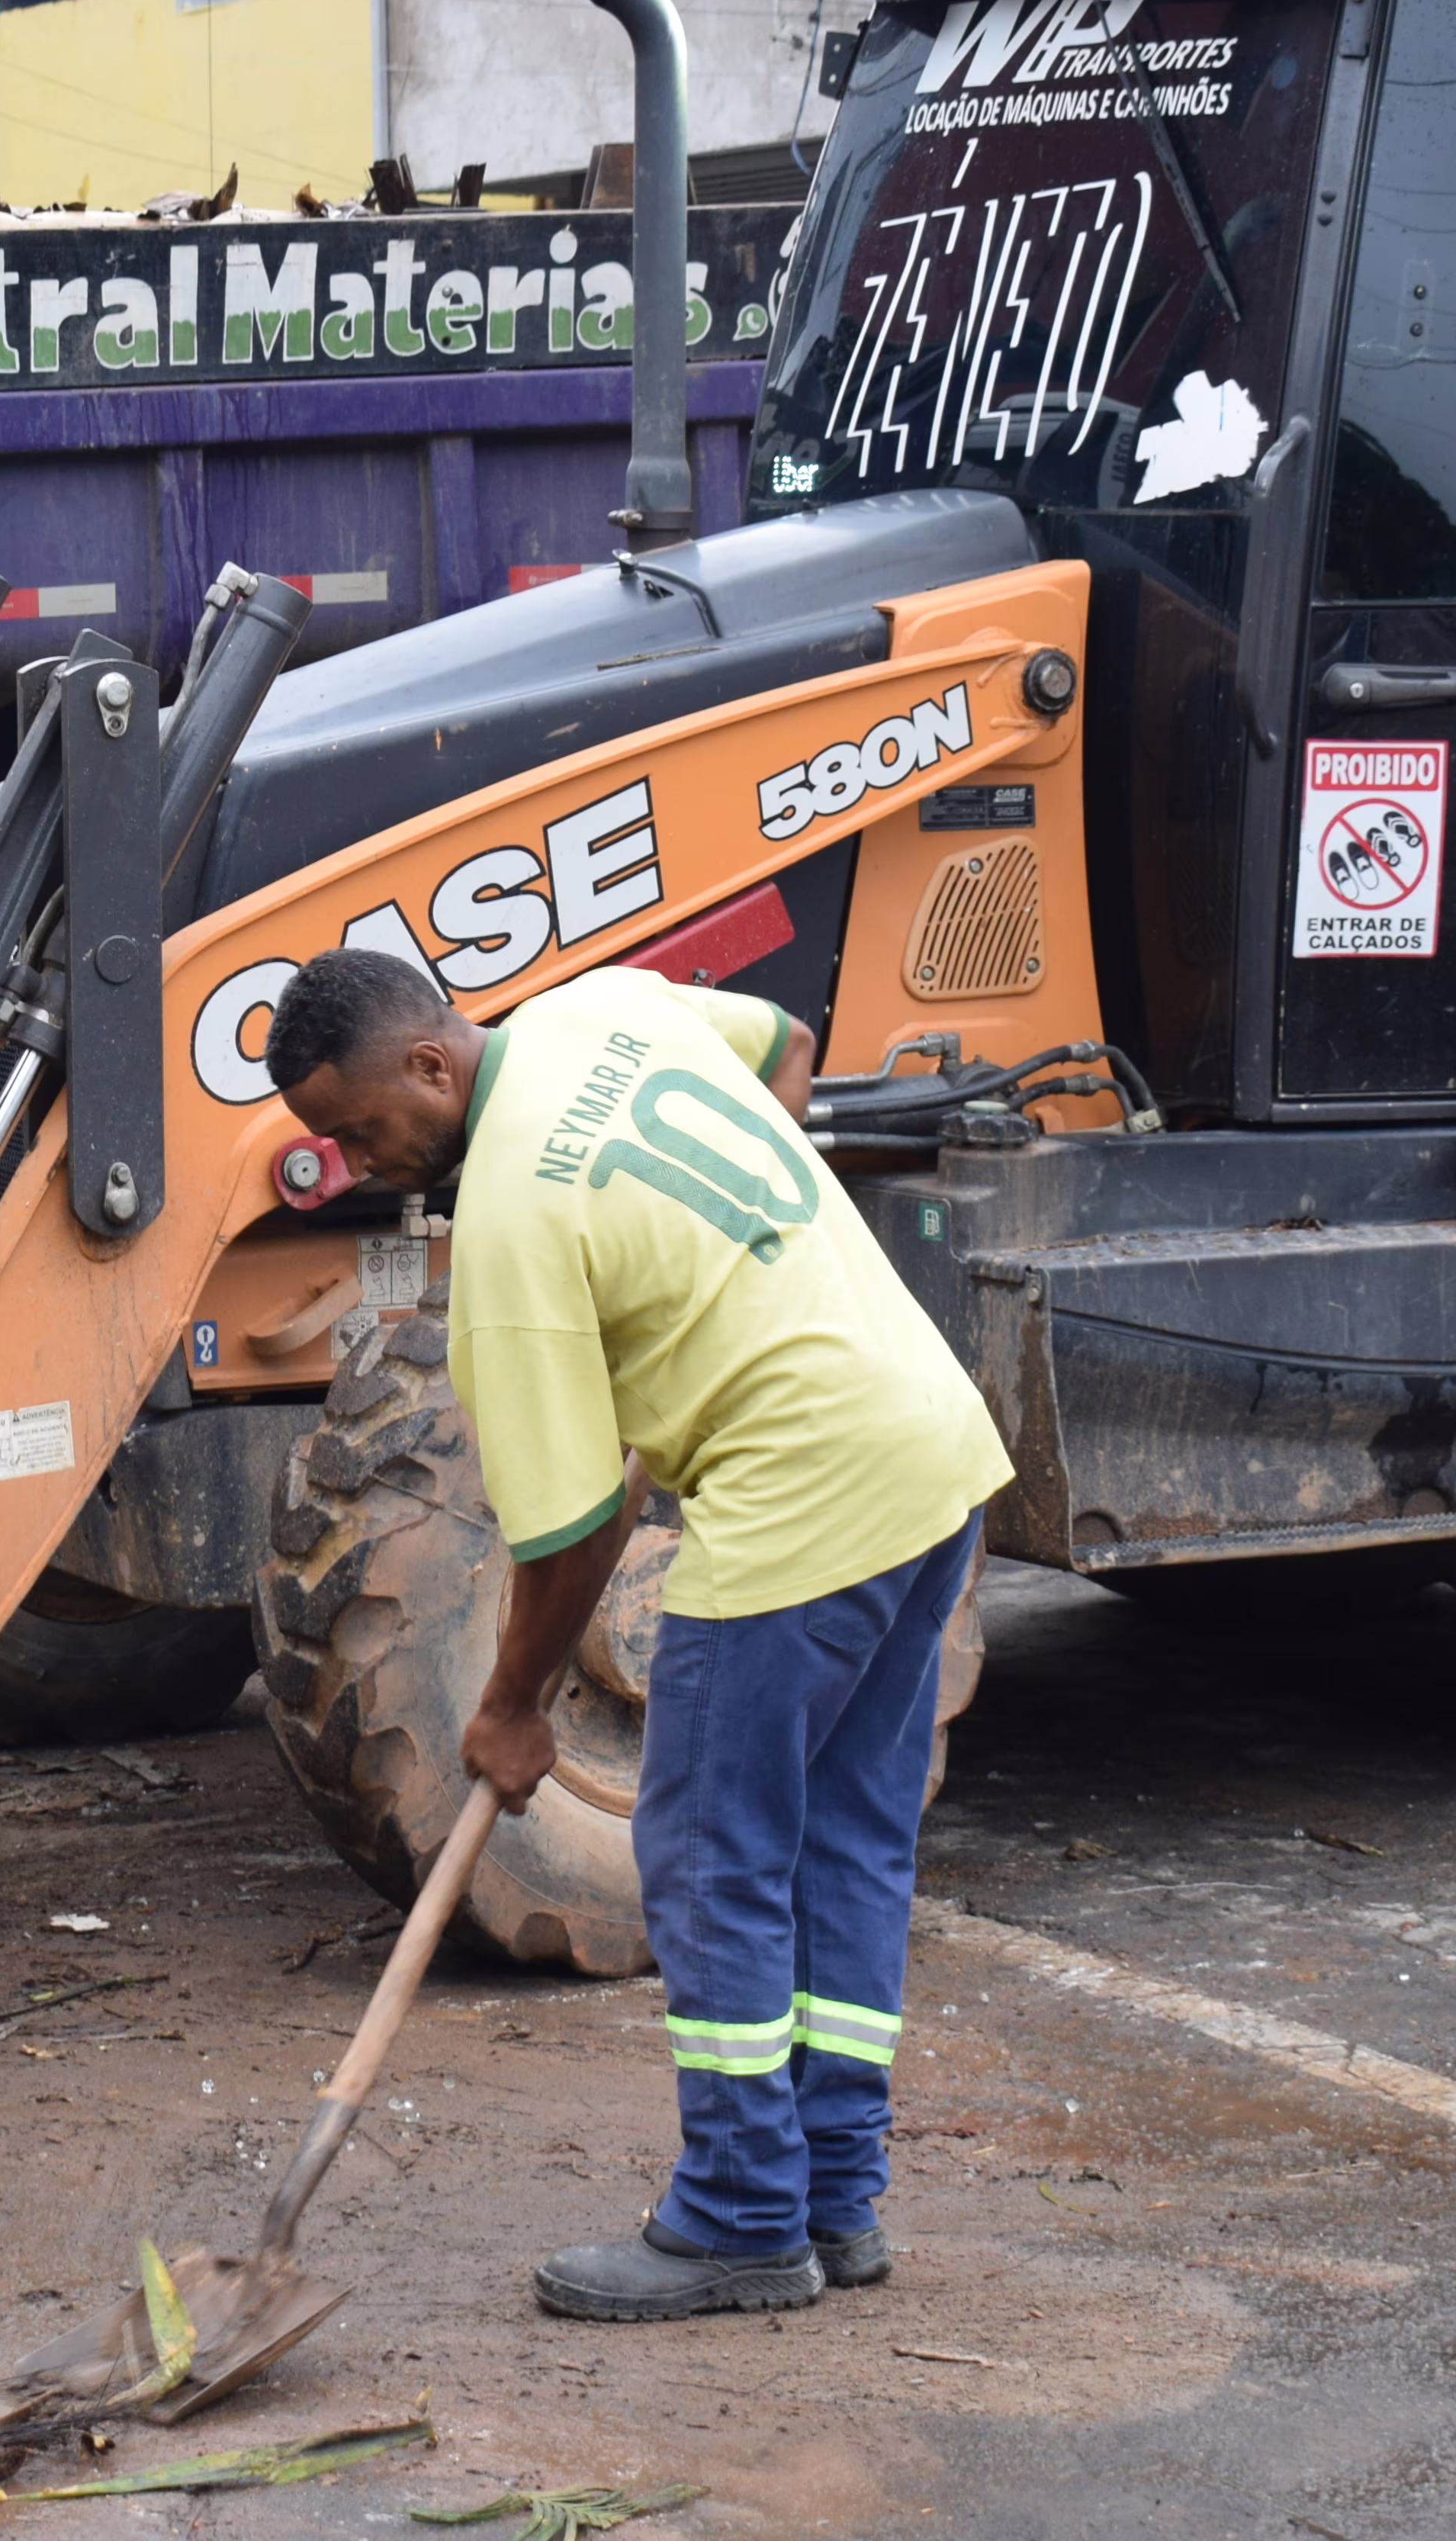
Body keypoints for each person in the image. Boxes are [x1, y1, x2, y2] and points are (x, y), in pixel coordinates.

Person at [265, 944, 1012, 2323]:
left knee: (712, 1856)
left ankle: (738, 2220)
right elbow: (785, 1044)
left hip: (803, 1500)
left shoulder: (507, 1229)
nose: (361, 1162)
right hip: (931, 1448)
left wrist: (510, 1706)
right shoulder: (599, 1010)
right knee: (846, 1840)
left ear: (432, 1065)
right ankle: (837, 2203)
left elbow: (568, 1536)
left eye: (364, 1128)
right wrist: (720, 1283)